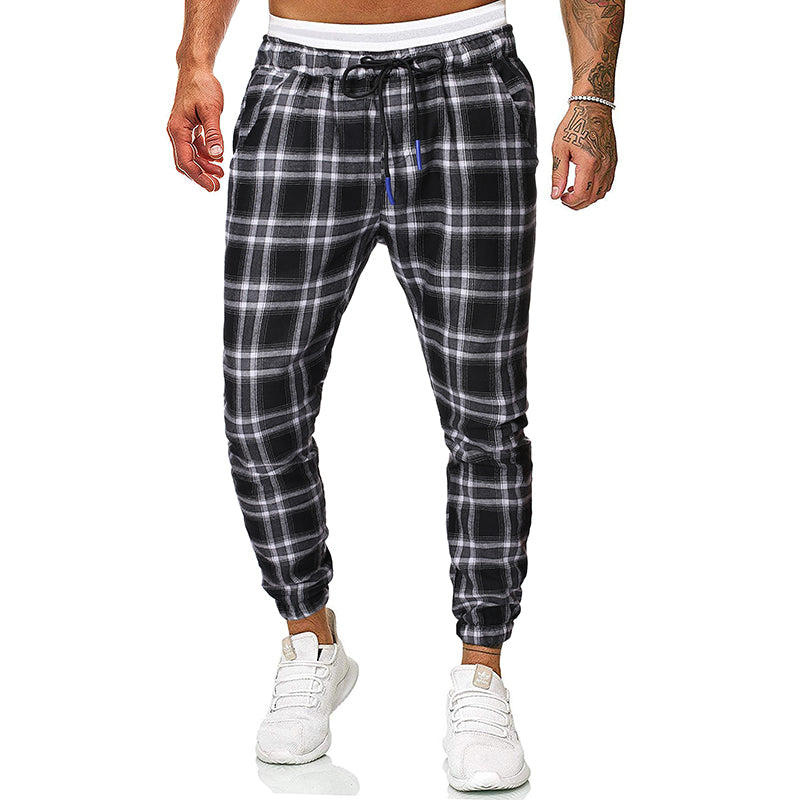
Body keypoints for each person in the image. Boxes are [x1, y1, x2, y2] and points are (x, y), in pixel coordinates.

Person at [167, 0, 624, 790]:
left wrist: (592, 94)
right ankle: (310, 640)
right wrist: (194, 58)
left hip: (467, 78)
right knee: (259, 401)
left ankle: (481, 672)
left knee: (485, 411)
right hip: (299, 82)